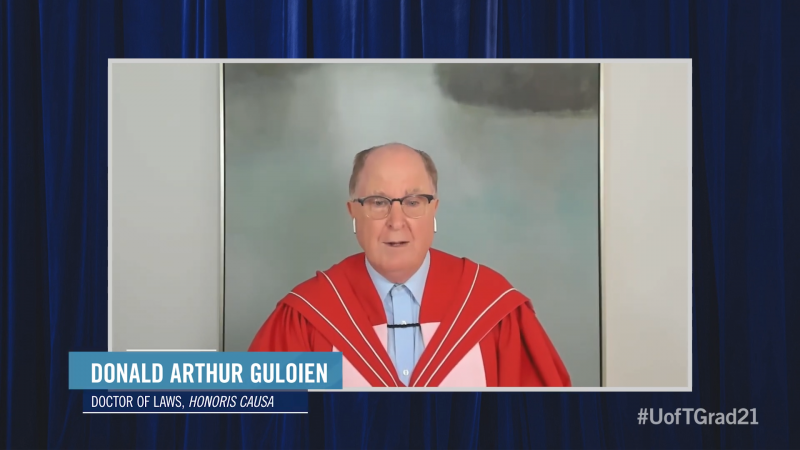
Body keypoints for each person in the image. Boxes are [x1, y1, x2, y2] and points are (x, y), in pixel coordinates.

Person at [249, 143, 571, 387]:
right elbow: (258, 430)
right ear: (353, 212)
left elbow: (546, 425)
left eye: (413, 202)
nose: (396, 221)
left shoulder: (493, 309)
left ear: (434, 210)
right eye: (378, 202)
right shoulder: (308, 316)